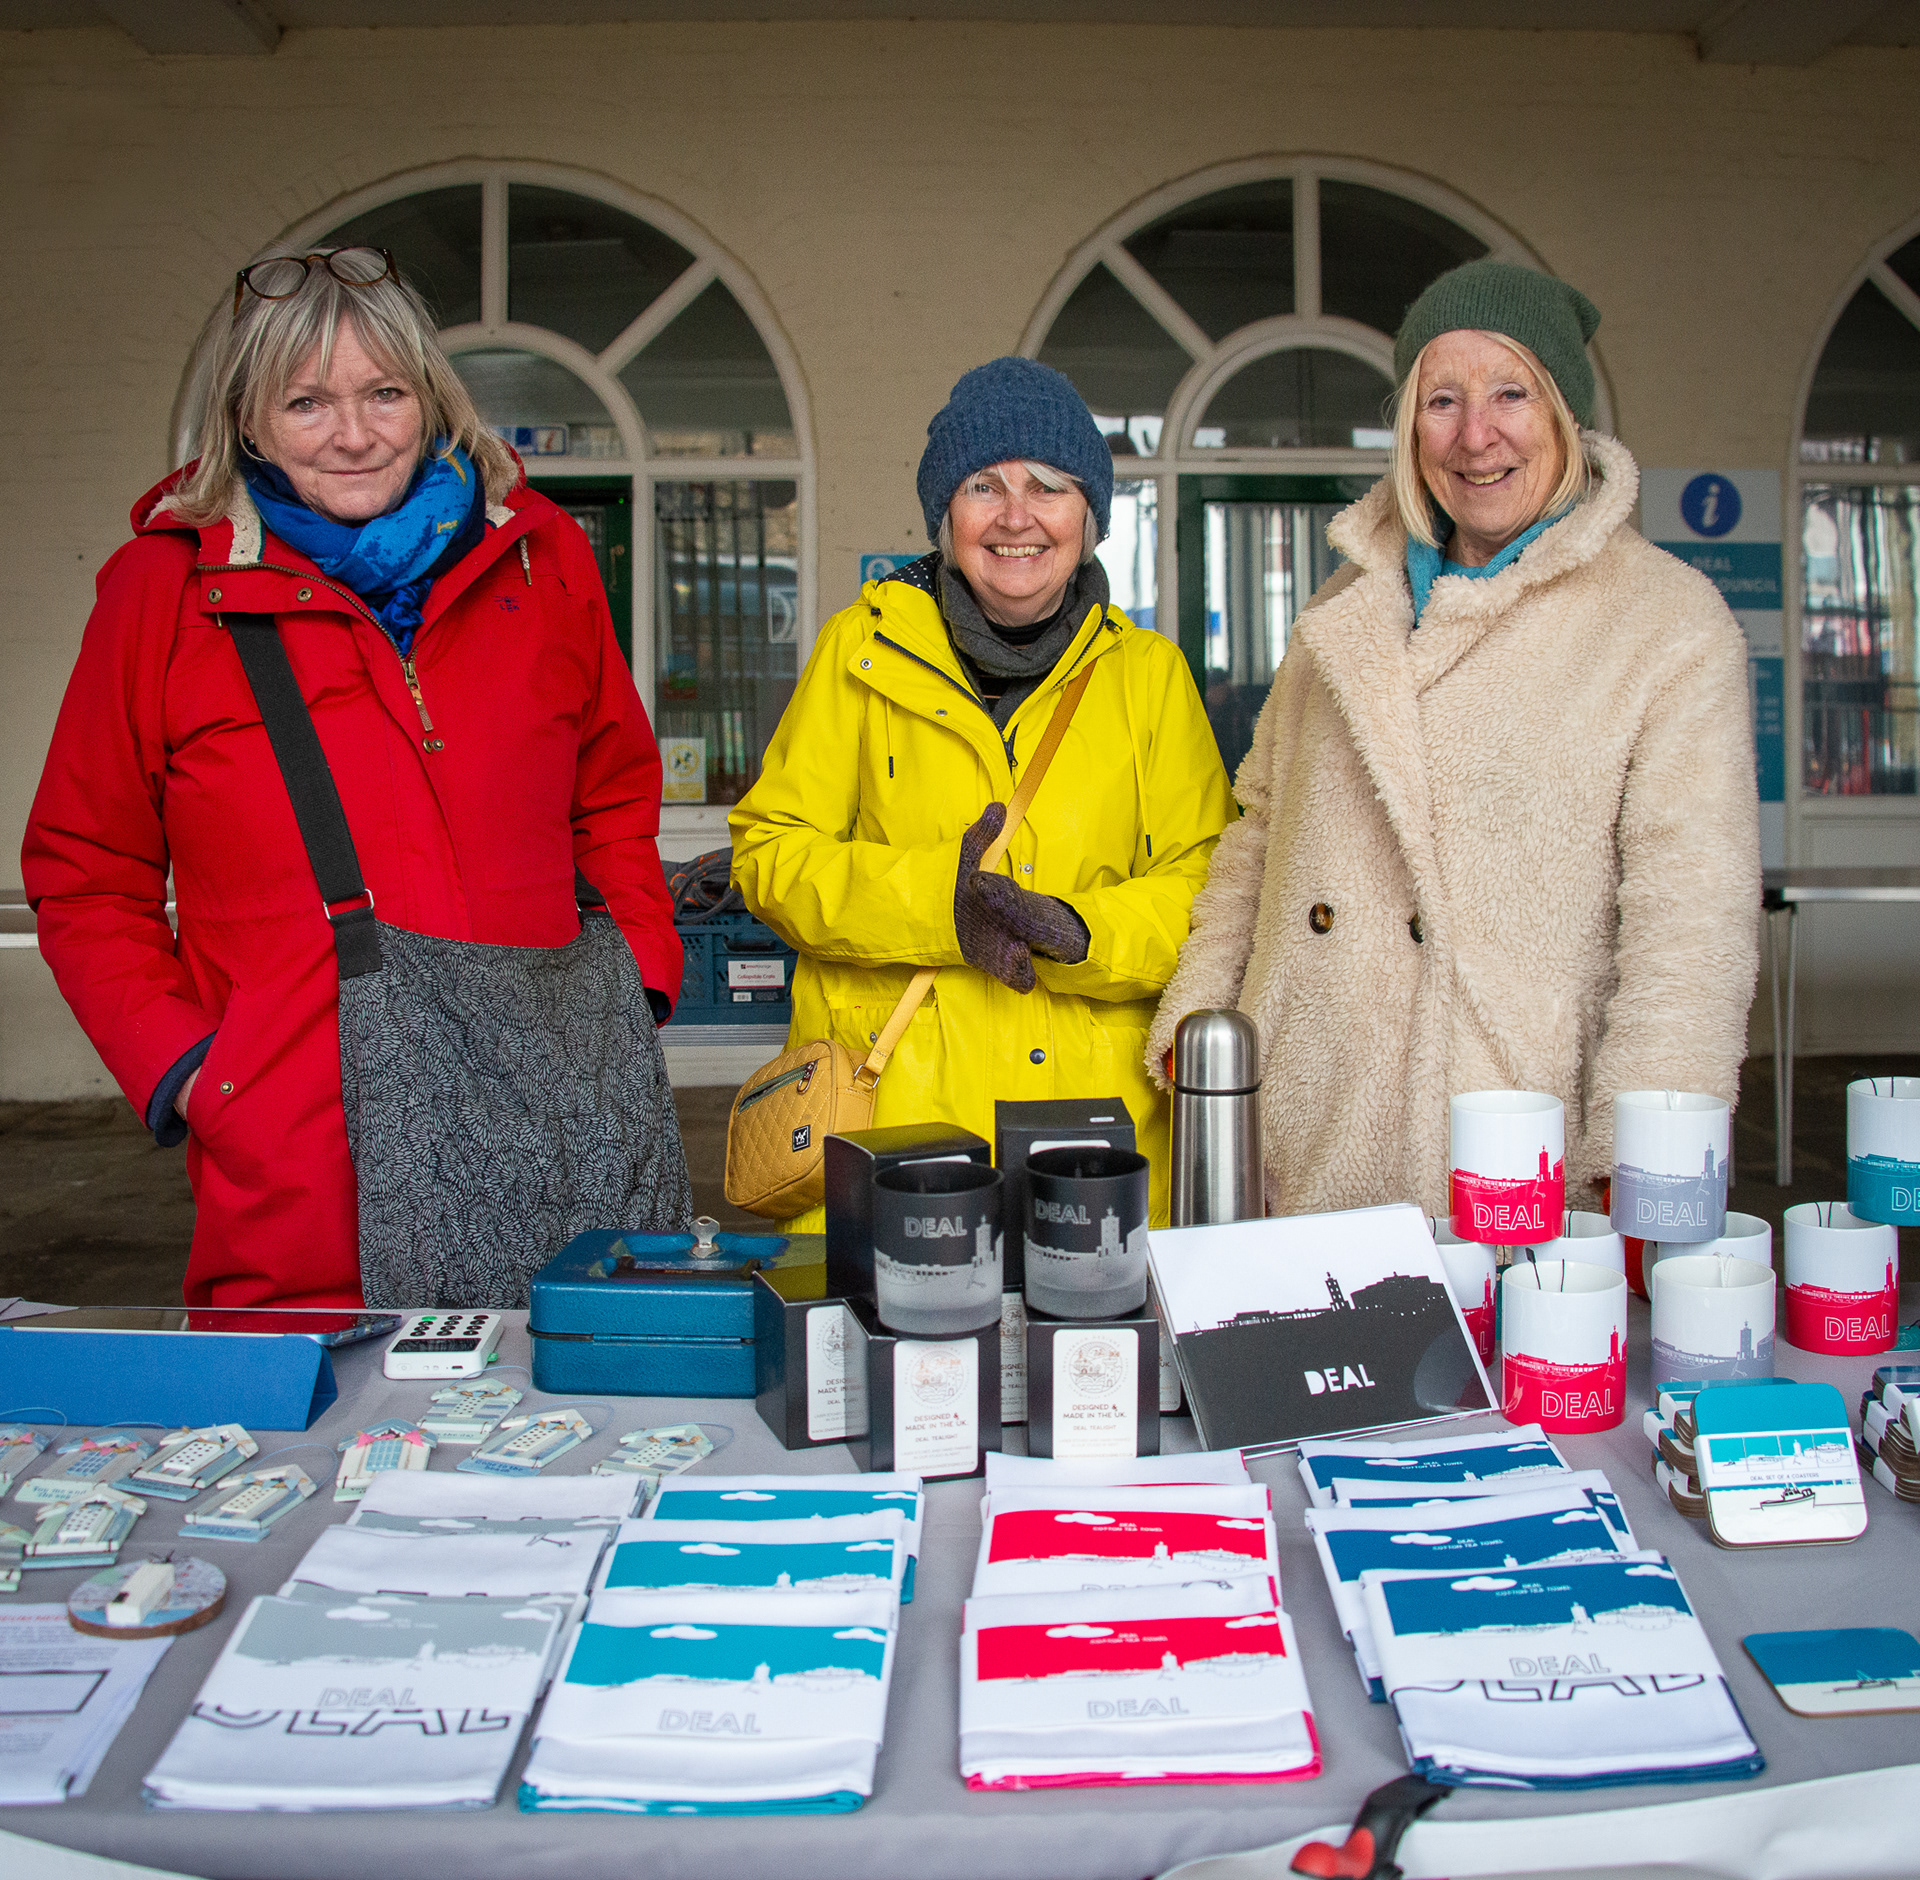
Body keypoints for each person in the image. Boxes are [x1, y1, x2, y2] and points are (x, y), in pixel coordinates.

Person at [23, 245, 690, 1309]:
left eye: (384, 392)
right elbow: (85, 869)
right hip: (305, 1153)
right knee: (327, 1456)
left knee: (584, 1422)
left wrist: (637, 974)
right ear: (245, 419)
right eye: (307, 401)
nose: (353, 432)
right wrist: (201, 1073)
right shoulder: (165, 592)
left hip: (562, 1110)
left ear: (430, 398)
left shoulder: (542, 556)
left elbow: (612, 793)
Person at [1149, 260, 1760, 1218]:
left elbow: (1691, 937)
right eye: (1442, 399)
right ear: (1408, 427)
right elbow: (1260, 835)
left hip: (1506, 1134)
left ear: (1564, 413)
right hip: (1301, 1119)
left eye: (1510, 391)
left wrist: (1648, 1173)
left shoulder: (1666, 626)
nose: (1477, 436)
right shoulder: (1345, 605)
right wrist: (1199, 1030)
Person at [731, 357, 1233, 1226]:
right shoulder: (859, 652)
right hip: (893, 1134)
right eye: (983, 485)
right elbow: (770, 856)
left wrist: (1086, 934)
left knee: (1082, 1357)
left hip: (1090, 1147)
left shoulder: (1150, 677)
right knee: (894, 1359)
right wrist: (935, 903)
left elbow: (1215, 892)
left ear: (1091, 516)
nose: (1016, 517)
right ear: (944, 516)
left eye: (1050, 486)